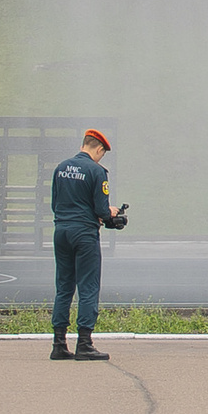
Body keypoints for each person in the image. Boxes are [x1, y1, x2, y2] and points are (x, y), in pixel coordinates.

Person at [50, 129, 126, 362]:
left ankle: (59, 343)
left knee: (64, 287)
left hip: (61, 231)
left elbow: (55, 203)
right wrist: (111, 212)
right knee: (88, 287)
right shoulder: (97, 171)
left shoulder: (61, 167)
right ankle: (84, 342)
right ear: (99, 149)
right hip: (84, 233)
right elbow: (101, 210)